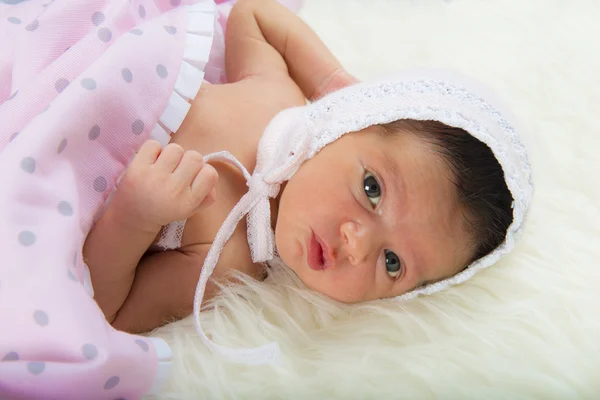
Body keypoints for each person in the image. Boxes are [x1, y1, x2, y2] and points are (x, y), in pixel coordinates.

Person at [83, 0, 514, 336]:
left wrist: (133, 217)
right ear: (353, 124)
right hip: (84, 67)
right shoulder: (279, 97)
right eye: (372, 189)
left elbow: (107, 309)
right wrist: (331, 82)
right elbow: (254, 13)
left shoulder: (225, 264)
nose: (356, 245)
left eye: (393, 263)